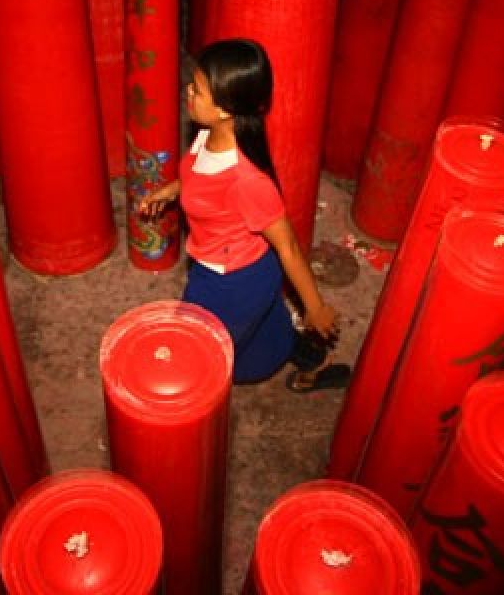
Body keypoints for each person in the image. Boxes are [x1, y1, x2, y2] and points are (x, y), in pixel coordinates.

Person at [139, 38, 349, 390]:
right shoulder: (206, 136)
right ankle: (315, 360)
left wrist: (315, 306)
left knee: (200, 348)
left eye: (199, 91)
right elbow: (198, 176)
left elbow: (289, 249)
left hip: (234, 281)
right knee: (266, 335)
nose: (188, 91)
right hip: (238, 267)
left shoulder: (248, 181)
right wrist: (170, 190)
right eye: (193, 84)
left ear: (225, 110)